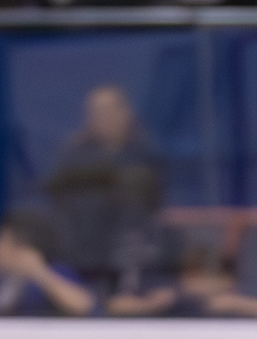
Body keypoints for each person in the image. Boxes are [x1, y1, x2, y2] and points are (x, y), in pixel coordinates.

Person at [40, 84, 170, 293]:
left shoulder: (145, 153)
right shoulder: (73, 154)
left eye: (107, 111)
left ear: (125, 113)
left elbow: (151, 204)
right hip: (79, 255)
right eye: (94, 112)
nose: (100, 118)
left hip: (129, 259)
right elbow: (58, 200)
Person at [110, 229, 257, 318]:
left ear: (226, 280)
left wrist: (239, 305)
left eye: (211, 278)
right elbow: (115, 305)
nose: (201, 285)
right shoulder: (172, 298)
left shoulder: (228, 301)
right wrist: (150, 306)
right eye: (194, 276)